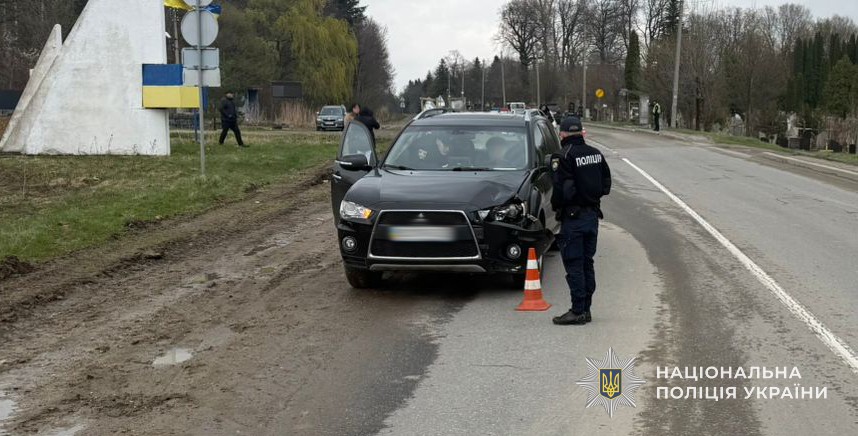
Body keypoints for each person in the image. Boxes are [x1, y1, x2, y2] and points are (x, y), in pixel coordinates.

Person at [550, 116, 612, 325]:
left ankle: (577, 311)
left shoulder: (563, 156)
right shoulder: (595, 154)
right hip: (592, 216)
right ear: (582, 133)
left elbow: (562, 191)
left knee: (574, 264)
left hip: (573, 218)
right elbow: (606, 184)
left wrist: (557, 207)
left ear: (563, 134)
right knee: (587, 263)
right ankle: (586, 309)